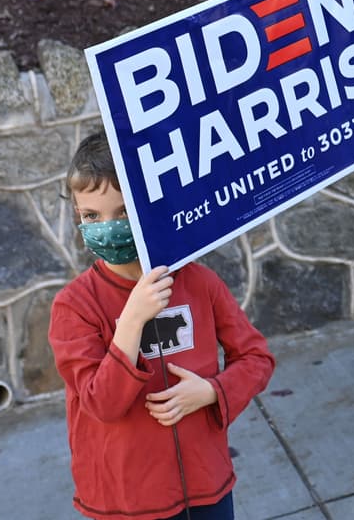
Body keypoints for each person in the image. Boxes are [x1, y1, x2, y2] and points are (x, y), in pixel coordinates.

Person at [49, 131, 275, 520]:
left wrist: (211, 391)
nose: (108, 226)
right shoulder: (74, 306)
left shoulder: (200, 282)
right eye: (92, 216)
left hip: (206, 485)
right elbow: (101, 404)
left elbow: (257, 358)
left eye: (123, 212)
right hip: (125, 499)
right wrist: (132, 319)